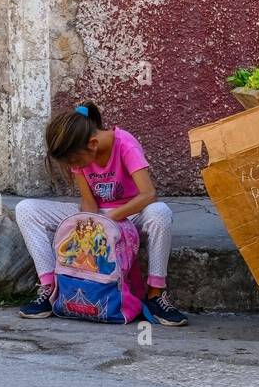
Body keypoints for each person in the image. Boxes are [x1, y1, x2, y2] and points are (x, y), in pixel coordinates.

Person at [14, 102, 188, 327]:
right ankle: (49, 288)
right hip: (99, 216)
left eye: (75, 162)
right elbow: (88, 201)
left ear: (93, 144)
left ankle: (155, 294)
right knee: (26, 208)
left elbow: (148, 194)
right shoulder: (81, 151)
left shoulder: (125, 144)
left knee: (160, 212)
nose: (74, 166)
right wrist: (89, 225)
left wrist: (109, 220)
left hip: (130, 213)